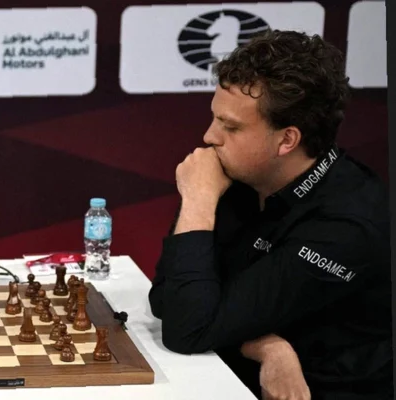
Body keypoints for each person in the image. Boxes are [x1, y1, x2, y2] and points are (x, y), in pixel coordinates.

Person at [148, 30, 392, 400]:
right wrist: (267, 346)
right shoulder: (242, 175)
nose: (209, 136)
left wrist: (198, 200)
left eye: (231, 127)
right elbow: (167, 298)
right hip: (241, 379)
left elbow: (187, 329)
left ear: (287, 140)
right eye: (215, 118)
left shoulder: (346, 225)